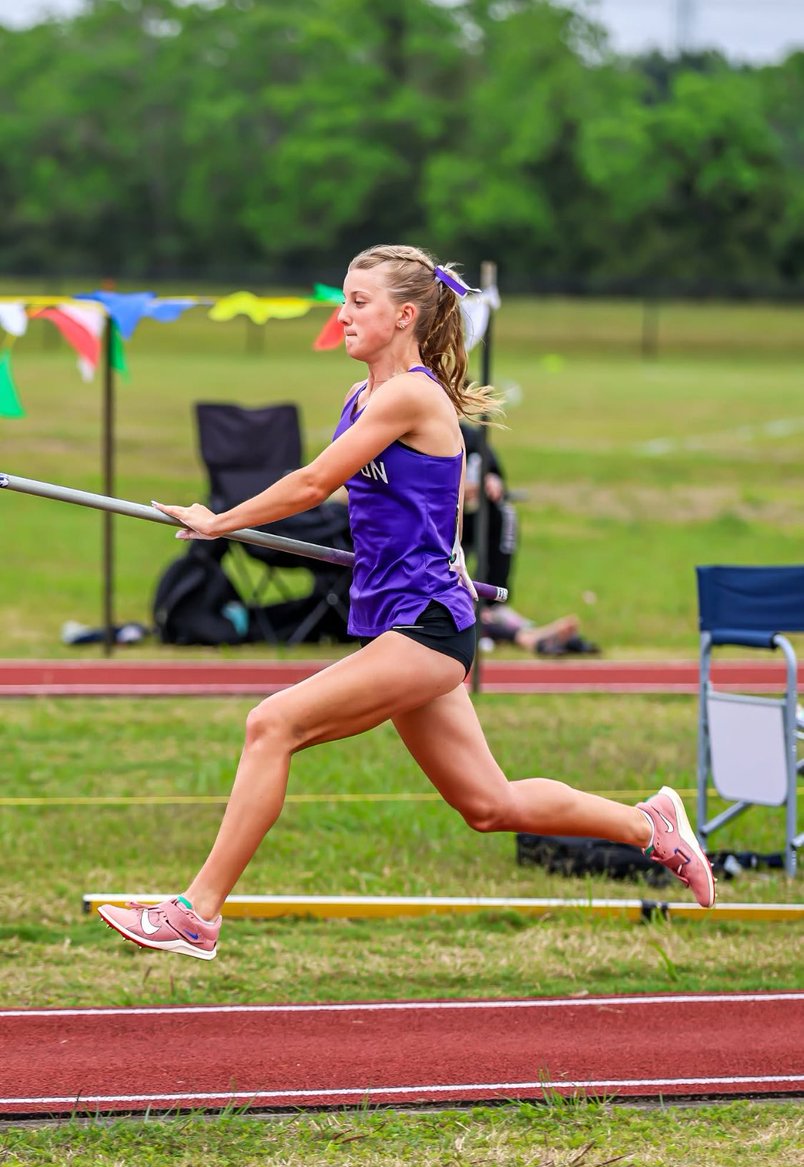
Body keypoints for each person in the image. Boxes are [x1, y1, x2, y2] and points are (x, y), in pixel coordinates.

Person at [98, 244, 715, 960]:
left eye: (359, 303)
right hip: (398, 619)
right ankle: (651, 824)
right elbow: (401, 514)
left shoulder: (412, 395)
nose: (344, 314)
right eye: (345, 300)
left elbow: (310, 486)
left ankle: (197, 912)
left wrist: (218, 522)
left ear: (405, 315)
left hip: (426, 629)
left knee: (273, 725)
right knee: (489, 805)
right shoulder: (363, 398)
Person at [460, 420, 600, 657]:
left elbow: (495, 476)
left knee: (505, 513)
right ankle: (528, 637)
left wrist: (493, 483)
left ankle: (500, 613)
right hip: (435, 528)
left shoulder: (471, 437)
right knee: (447, 606)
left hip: (472, 519)